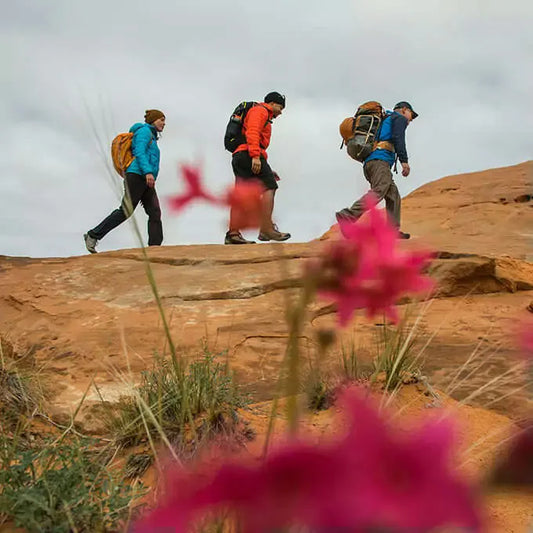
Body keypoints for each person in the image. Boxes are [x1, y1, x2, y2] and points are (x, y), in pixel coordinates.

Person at [84, 109, 166, 253]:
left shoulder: (152, 136)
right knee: (126, 211)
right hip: (137, 175)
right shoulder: (144, 132)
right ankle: (93, 235)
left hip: (146, 179)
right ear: (153, 120)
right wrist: (147, 172)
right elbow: (139, 151)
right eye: (162, 120)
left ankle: (155, 249)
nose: (164, 124)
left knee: (155, 212)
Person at [336, 101, 418, 239]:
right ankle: (348, 216)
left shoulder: (386, 118)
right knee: (379, 190)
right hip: (379, 161)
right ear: (404, 110)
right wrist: (404, 161)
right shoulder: (398, 118)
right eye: (411, 115)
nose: (410, 120)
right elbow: (399, 138)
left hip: (371, 163)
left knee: (393, 195)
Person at [225, 92, 291, 245]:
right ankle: (266, 229)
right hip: (249, 153)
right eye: (280, 107)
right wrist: (255, 156)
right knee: (270, 187)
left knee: (241, 195)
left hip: (241, 155)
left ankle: (233, 234)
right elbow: (253, 131)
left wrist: (264, 164)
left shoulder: (258, 112)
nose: (280, 112)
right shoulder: (260, 111)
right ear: (273, 103)